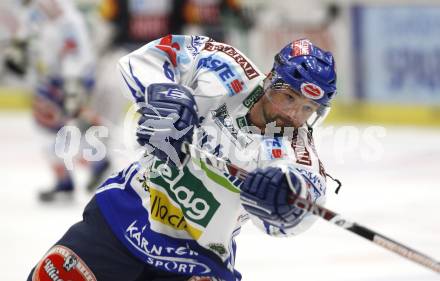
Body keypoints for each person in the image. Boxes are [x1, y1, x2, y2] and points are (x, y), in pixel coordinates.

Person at [27, 34, 337, 280]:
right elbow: (147, 59)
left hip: (198, 259)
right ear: (271, 78)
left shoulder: (295, 152)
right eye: (289, 97)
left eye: (308, 108)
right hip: (127, 215)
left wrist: (286, 202)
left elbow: (306, 196)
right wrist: (162, 92)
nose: (293, 113)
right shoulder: (225, 67)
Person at [4, 0, 111, 202]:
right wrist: (19, 48)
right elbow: (30, 32)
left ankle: (88, 167)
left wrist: (72, 85)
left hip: (66, 78)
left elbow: (73, 46)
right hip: (61, 76)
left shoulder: (57, 11)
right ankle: (88, 166)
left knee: (50, 130)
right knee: (56, 129)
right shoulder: (40, 9)